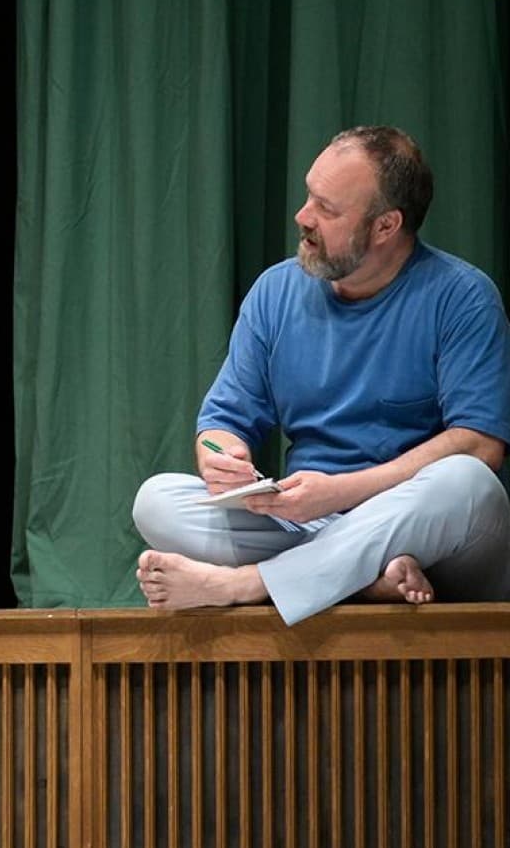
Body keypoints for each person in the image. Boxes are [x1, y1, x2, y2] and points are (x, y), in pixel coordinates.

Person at [132, 125, 510, 627]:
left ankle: (249, 586)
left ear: (385, 226)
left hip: (430, 539)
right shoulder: (275, 292)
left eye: (327, 209)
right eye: (310, 195)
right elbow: (222, 425)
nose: (302, 217)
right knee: (156, 501)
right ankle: (367, 583)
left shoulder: (462, 297)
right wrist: (224, 458)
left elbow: (480, 445)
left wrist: (343, 490)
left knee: (466, 483)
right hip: (307, 522)